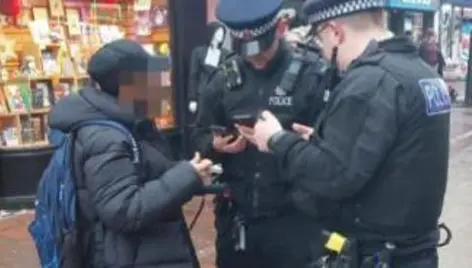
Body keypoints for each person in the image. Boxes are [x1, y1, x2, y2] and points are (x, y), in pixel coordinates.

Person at [251, 0, 450, 267]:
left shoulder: (371, 80)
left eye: (321, 40)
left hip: (377, 252)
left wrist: (277, 139)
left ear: (336, 32)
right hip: (413, 249)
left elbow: (335, 175)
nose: (322, 52)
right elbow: (394, 153)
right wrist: (323, 139)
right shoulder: (421, 72)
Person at [48, 39, 213, 268]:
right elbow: (123, 210)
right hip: (129, 256)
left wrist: (193, 175)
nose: (160, 89)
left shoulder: (130, 122)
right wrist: (185, 175)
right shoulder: (106, 137)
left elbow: (148, 174)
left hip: (147, 251)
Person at [191, 0, 328, 267]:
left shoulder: (313, 75)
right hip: (238, 220)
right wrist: (217, 145)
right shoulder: (223, 79)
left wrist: (295, 142)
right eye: (244, 49)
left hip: (294, 223)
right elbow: (198, 137)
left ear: (281, 27)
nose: (252, 57)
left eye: (259, 48)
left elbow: (334, 151)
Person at [188, 22, 231, 115]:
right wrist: (192, 98)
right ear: (212, 33)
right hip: (202, 95)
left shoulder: (226, 54)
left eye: (222, 33)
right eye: (218, 33)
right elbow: (193, 76)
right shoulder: (198, 52)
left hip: (220, 97)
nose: (221, 35)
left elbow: (229, 76)